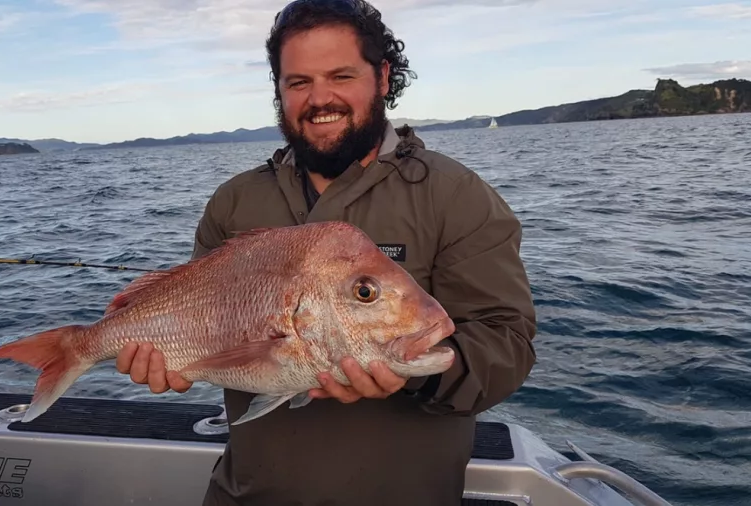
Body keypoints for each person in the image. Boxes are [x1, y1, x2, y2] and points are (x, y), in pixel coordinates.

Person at [116, 0, 537, 504]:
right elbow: (201, 328)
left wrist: (416, 379)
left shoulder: (454, 195)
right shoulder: (235, 200)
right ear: (279, 90)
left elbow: (509, 344)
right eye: (298, 82)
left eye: (341, 75)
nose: (320, 99)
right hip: (244, 493)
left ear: (382, 77)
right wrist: (168, 361)